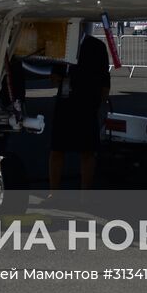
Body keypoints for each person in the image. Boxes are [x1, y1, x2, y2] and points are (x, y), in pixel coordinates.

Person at [49, 34, 110, 191]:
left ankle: (85, 195)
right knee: (57, 149)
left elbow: (104, 78)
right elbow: (54, 73)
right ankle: (53, 193)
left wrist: (101, 104)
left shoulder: (96, 46)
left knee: (87, 151)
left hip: (87, 104)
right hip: (64, 103)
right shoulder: (61, 42)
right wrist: (59, 79)